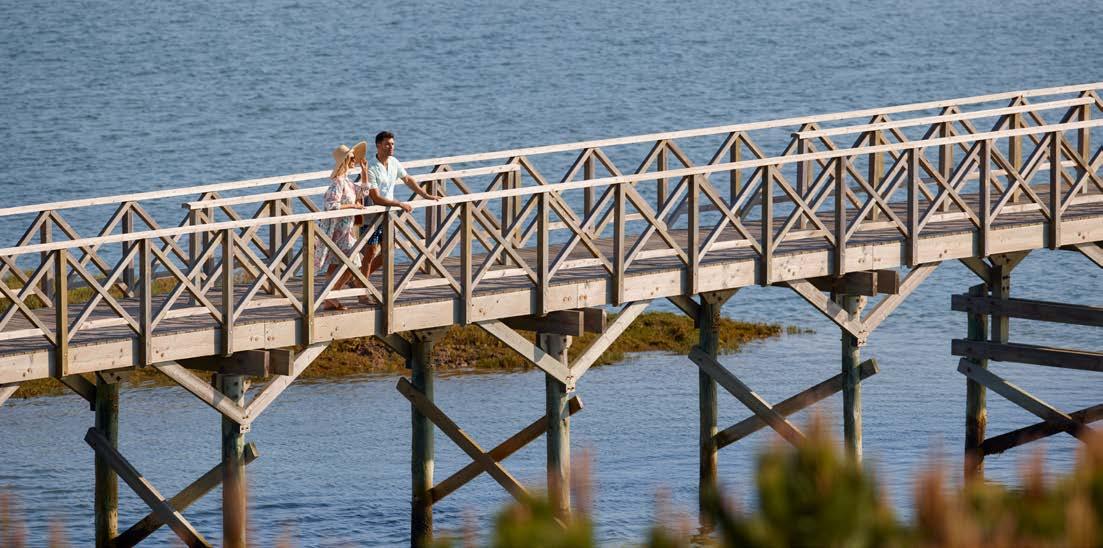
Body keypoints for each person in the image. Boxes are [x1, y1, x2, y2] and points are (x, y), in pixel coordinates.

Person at [357, 131, 441, 304]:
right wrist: (399, 204)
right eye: (387, 144)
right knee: (370, 253)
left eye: (392, 144)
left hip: (388, 216)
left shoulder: (394, 162)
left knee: (387, 253)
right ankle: (362, 292)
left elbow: (407, 179)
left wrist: (425, 195)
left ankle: (358, 279)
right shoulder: (372, 167)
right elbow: (376, 198)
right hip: (372, 216)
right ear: (378, 146)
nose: (391, 147)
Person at [314, 142, 368, 311]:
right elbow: (331, 205)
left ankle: (329, 299)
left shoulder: (348, 182)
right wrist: (353, 206)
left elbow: (364, 192)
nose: (354, 160)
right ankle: (330, 297)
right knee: (352, 263)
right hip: (336, 232)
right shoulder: (337, 182)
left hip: (347, 231)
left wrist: (364, 173)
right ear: (344, 161)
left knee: (336, 264)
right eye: (351, 158)